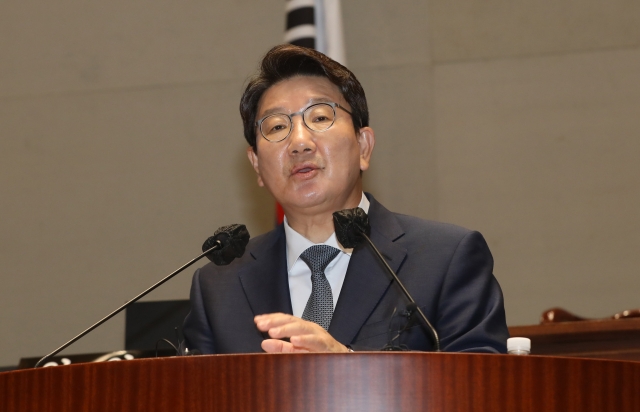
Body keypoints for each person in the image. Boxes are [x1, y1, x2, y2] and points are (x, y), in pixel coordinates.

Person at [182, 44, 509, 354]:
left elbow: (482, 388)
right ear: (256, 164)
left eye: (320, 118)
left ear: (364, 146)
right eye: (277, 126)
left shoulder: (445, 259)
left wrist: (348, 365)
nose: (299, 143)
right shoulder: (218, 286)